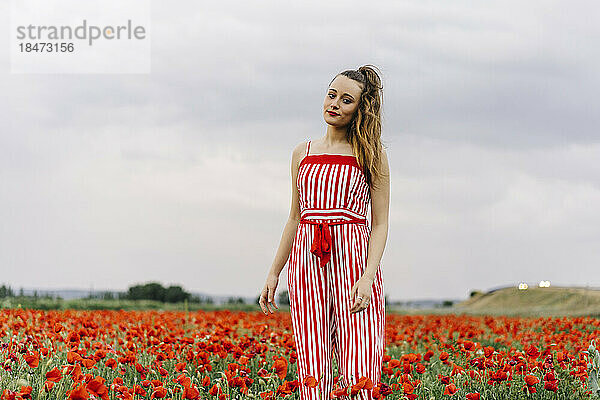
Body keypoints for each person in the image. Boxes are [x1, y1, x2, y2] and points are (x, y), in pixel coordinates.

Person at [259, 65, 390, 400]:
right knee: (312, 364)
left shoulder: (371, 154)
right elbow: (294, 218)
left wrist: (368, 275)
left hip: (354, 263)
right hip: (307, 263)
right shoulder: (302, 152)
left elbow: (380, 223)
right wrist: (274, 272)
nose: (335, 104)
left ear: (361, 109)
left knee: (359, 360)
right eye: (332, 95)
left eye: (347, 100)